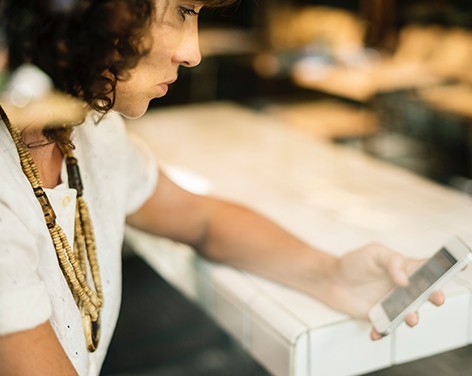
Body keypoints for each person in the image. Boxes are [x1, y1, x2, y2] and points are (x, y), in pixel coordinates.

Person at [0, 1, 444, 375]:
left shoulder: (94, 130)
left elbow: (202, 219)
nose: (193, 52)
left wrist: (329, 273)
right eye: (182, 11)